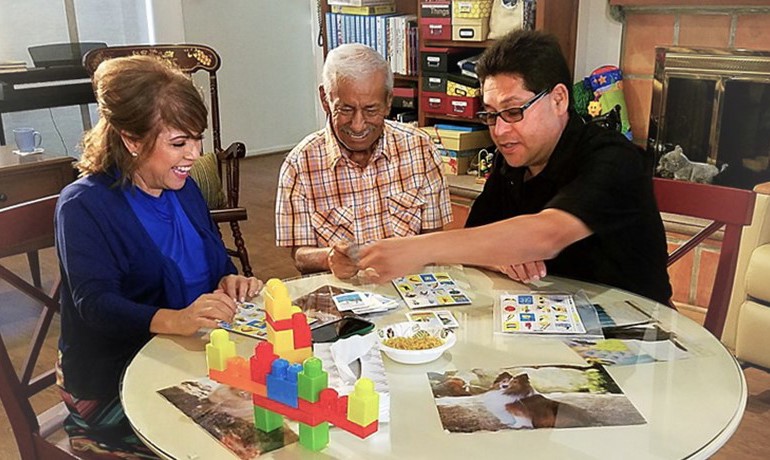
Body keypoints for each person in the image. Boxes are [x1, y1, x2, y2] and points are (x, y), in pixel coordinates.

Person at [358, 30, 672, 305]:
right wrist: (500, 257)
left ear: (559, 100)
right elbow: (478, 238)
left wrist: (418, 249)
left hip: (636, 331)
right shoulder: (512, 160)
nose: (500, 131)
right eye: (491, 114)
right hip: (553, 320)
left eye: (513, 112)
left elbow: (547, 234)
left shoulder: (614, 157)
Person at [55, 55, 263, 458]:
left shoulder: (182, 187)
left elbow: (212, 258)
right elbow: (94, 305)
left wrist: (228, 279)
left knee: (284, 409)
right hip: (112, 382)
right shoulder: (83, 205)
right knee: (247, 442)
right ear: (132, 140)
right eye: (179, 143)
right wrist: (175, 319)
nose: (195, 154)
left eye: (197, 139)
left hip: (185, 361)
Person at [275, 43, 452, 280]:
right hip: (344, 291)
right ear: (325, 99)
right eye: (346, 109)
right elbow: (300, 256)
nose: (358, 125)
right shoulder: (299, 165)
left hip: (410, 287)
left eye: (371, 110)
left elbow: (433, 240)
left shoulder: (420, 149)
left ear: (389, 101)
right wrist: (328, 258)